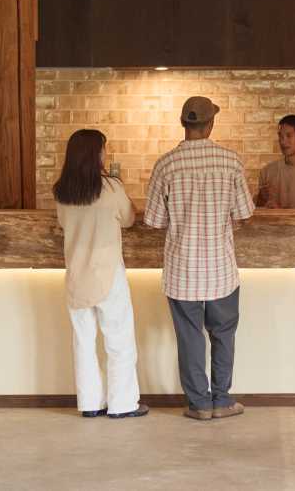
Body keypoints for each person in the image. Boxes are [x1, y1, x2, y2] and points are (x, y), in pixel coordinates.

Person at [144, 96, 255, 421]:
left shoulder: (166, 164)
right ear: (210, 125)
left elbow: (154, 221)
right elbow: (245, 213)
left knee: (190, 337)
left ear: (183, 123)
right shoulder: (230, 162)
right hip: (221, 269)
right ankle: (222, 400)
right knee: (223, 334)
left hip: (182, 270)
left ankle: (199, 405)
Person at [53, 129, 148, 419]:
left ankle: (90, 403)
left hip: (77, 275)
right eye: (104, 149)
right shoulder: (111, 188)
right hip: (108, 274)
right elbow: (129, 219)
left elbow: (63, 223)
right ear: (96, 153)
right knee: (118, 340)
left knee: (82, 341)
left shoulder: (62, 192)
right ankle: (122, 404)